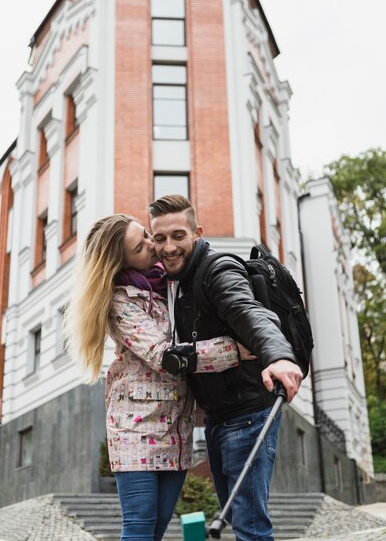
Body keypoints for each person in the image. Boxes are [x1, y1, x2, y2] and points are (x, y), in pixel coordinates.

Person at [64, 213, 241, 541]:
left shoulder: (170, 285)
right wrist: (235, 350)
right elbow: (165, 356)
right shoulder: (119, 302)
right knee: (139, 525)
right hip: (137, 429)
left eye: (146, 234)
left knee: (157, 527)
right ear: (122, 262)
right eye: (139, 246)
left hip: (175, 430)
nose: (151, 245)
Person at [149, 195, 304, 541]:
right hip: (219, 419)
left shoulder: (217, 269)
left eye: (178, 236)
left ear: (197, 232)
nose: (168, 247)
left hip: (247, 416)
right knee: (238, 518)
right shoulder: (178, 281)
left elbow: (249, 312)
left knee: (249, 527)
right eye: (159, 238)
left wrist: (278, 356)